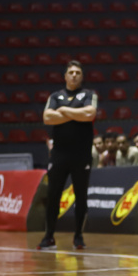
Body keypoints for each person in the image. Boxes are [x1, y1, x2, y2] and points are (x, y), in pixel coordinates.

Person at [38, 60, 98, 251]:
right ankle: (48, 237)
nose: (74, 75)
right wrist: (75, 113)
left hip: (81, 155)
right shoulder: (55, 96)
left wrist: (63, 111)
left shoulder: (89, 95)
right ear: (65, 76)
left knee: (81, 197)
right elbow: (47, 117)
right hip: (59, 155)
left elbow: (89, 114)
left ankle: (78, 237)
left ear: (82, 76)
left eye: (77, 72)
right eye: (70, 72)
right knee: (53, 195)